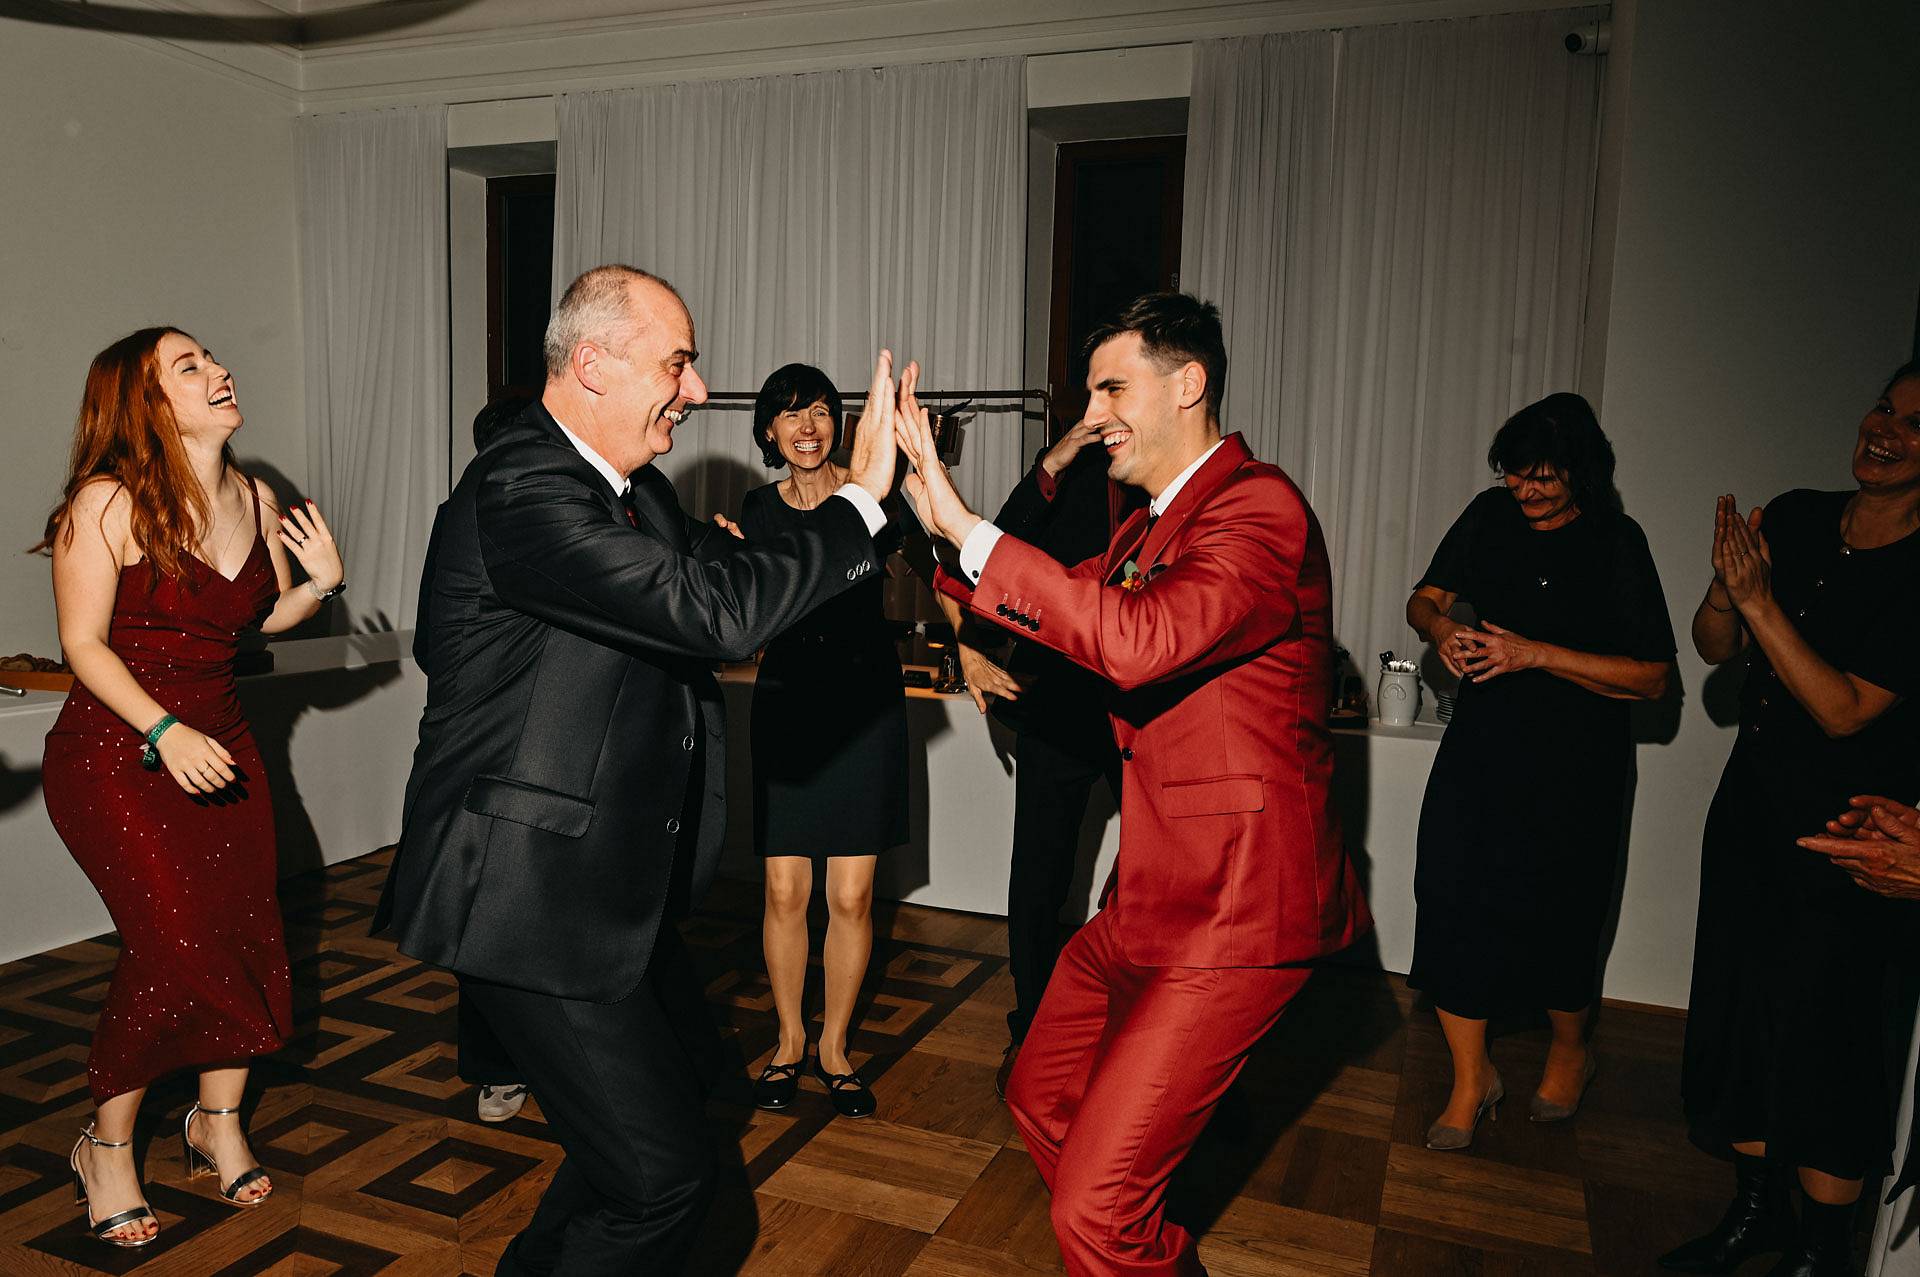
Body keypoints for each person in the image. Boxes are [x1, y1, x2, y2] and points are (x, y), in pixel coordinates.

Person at [376, 264, 904, 1275]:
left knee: (686, 1103)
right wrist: (861, 500)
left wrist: (887, 511)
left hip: (604, 884)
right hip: (524, 891)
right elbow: (718, 615)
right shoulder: (524, 486)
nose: (696, 390)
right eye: (678, 363)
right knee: (663, 1181)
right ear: (592, 364)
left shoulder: (637, 492)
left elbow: (730, 575)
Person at [898, 292, 1371, 1275]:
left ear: (1189, 383)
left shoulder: (1259, 508)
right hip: (1150, 894)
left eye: (1113, 388)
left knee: (1096, 1211)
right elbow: (1057, 601)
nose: (1095, 413)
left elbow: (1137, 640)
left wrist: (967, 526)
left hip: (1236, 910)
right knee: (1041, 1096)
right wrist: (920, 523)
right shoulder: (1146, 529)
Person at [38, 327, 346, 1247]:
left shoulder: (255, 496)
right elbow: (82, 644)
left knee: (246, 931)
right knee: (171, 948)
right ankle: (106, 1145)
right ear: (146, 403)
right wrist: (165, 730)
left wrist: (321, 587)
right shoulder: (106, 501)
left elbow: (260, 615)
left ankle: (217, 1122)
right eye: (190, 366)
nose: (219, 370)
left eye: (212, 358)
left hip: (226, 748)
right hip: (117, 753)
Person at [1663, 361, 1920, 1277]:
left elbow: (1845, 710)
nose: (1885, 429)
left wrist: (1761, 600)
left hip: (1852, 846)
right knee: (1743, 1018)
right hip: (1753, 813)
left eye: (1915, 424)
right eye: (1885, 406)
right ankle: (1755, 1212)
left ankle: (1821, 1251)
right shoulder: (1802, 514)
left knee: (1825, 1044)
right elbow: (1715, 645)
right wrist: (1725, 590)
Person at [1404, 393, 1675, 1150]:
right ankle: (1471, 1079)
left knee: (1563, 913)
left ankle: (1570, 1050)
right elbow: (1423, 600)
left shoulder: (1617, 542)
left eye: (1543, 477)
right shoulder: (1489, 516)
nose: (1525, 490)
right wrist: (1442, 627)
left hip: (1575, 766)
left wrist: (1536, 655)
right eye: (1516, 473)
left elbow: (1654, 678)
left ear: (1581, 472)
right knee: (1452, 896)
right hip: (1481, 749)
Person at [738, 362, 913, 1120]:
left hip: (865, 703)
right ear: (770, 431)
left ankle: (835, 1047)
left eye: (818, 411)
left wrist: (971, 648)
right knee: (785, 890)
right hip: (788, 704)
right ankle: (787, 1041)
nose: (806, 427)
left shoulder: (873, 495)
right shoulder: (757, 508)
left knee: (852, 893)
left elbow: (935, 565)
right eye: (790, 414)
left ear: (838, 423)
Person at [955, 422, 1139, 1098]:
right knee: (1039, 876)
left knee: (1160, 876)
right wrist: (1052, 463)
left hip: (1142, 706)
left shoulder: (1164, 472)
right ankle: (1030, 1027)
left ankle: (1151, 1036)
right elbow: (995, 554)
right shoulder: (1066, 473)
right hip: (1059, 704)